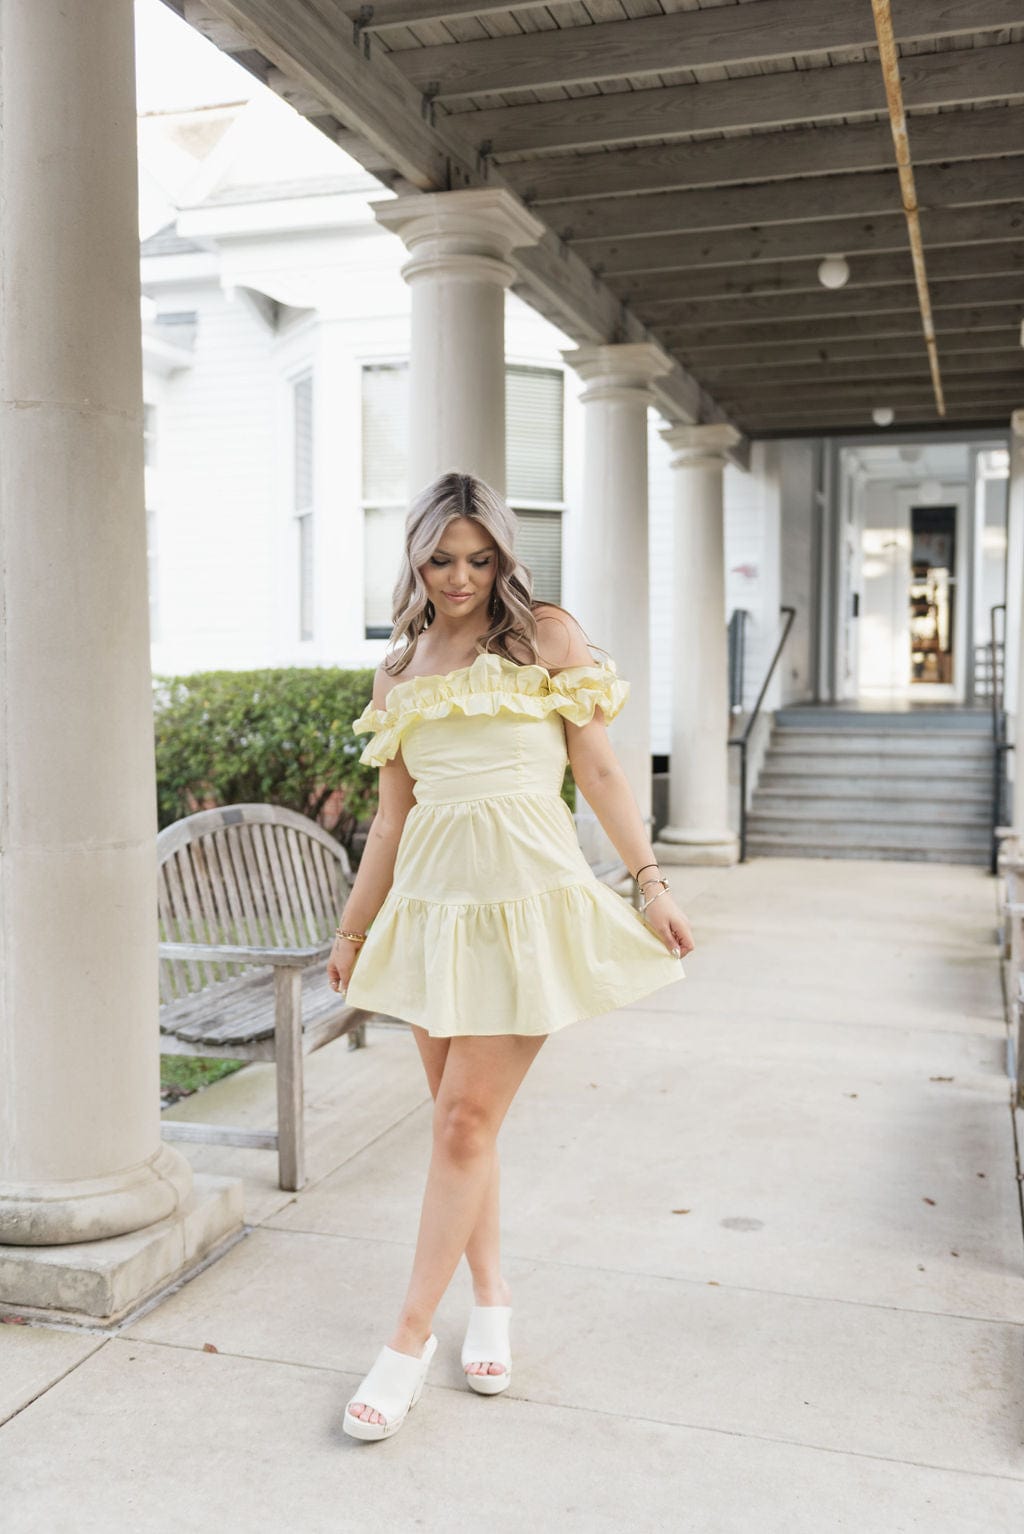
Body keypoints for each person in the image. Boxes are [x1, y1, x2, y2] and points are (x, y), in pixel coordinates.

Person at [327, 470, 695, 1441]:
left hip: (528, 908)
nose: (458, 577)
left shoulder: (547, 637)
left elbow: (601, 768)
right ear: (414, 556)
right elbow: (389, 821)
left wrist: (649, 877)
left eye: (478, 558)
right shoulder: (400, 667)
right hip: (433, 917)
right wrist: (355, 927)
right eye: (440, 559)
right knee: (464, 1128)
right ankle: (490, 1296)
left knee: (460, 1126)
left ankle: (405, 1343)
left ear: (503, 555)